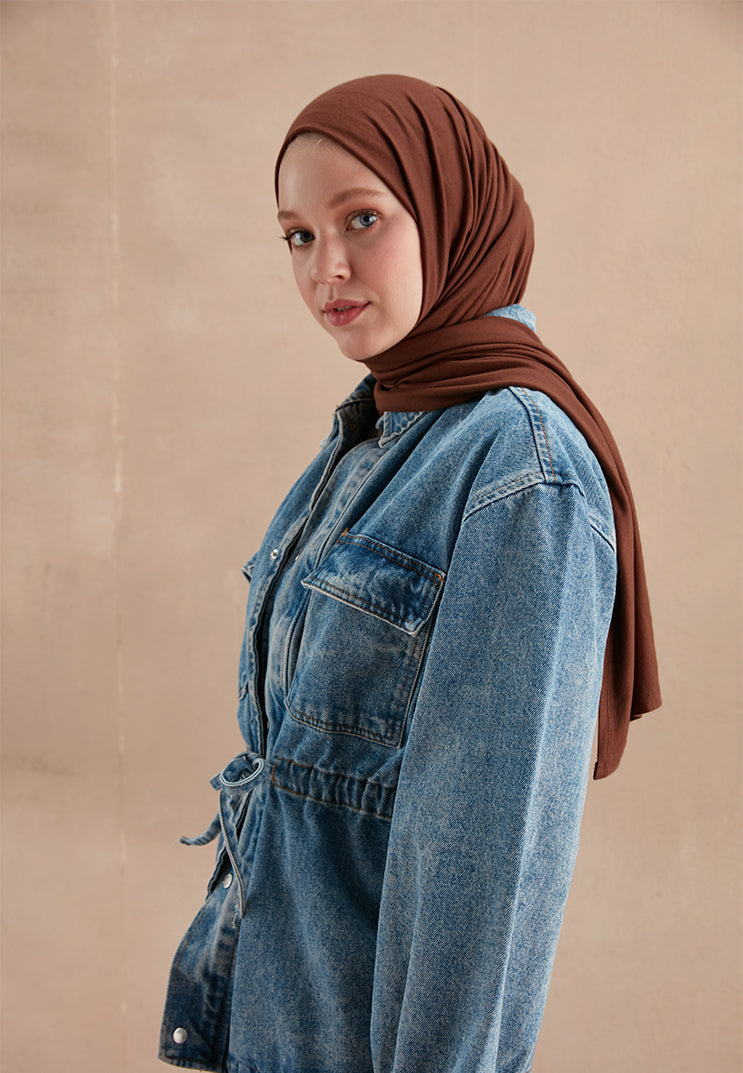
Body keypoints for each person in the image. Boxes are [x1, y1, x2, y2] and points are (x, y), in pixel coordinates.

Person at [159, 74, 660, 1073]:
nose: (326, 267)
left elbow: (483, 873)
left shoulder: (518, 468)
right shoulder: (376, 429)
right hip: (272, 1027)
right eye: (297, 235)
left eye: (362, 219)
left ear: (449, 211)